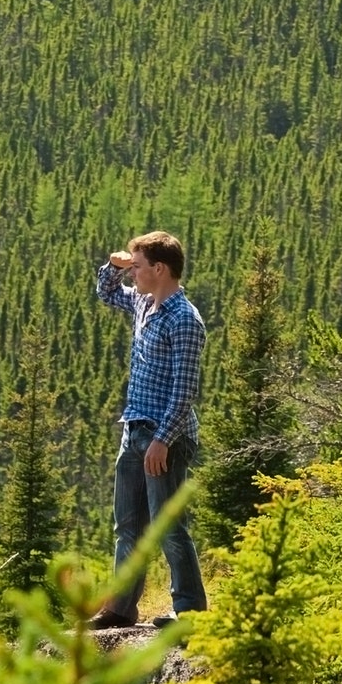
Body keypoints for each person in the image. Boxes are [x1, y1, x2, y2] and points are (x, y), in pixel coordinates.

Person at [90, 229, 207, 626]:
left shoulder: (185, 320)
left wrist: (163, 440)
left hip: (166, 437)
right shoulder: (142, 302)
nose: (133, 274)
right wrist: (116, 266)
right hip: (134, 429)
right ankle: (120, 609)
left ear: (160, 269)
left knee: (169, 526)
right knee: (128, 527)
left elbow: (184, 390)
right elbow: (106, 293)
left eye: (139, 267)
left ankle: (190, 611)